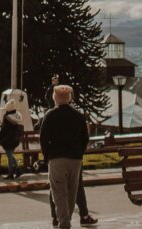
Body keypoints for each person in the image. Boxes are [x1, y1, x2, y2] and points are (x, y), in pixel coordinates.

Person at [39, 84, 88, 229]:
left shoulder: (49, 115)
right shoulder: (78, 116)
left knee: (59, 193)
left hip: (56, 158)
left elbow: (43, 138)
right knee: (72, 192)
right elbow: (85, 137)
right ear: (70, 98)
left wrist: (47, 156)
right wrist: (80, 152)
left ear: (55, 98)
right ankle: (67, 218)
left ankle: (64, 222)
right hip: (75, 159)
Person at [0, 108, 24, 179]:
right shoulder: (16, 116)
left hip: (7, 140)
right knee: (10, 155)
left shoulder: (6, 117)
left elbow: (3, 130)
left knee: (9, 156)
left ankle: (11, 173)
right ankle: (18, 170)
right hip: (14, 140)